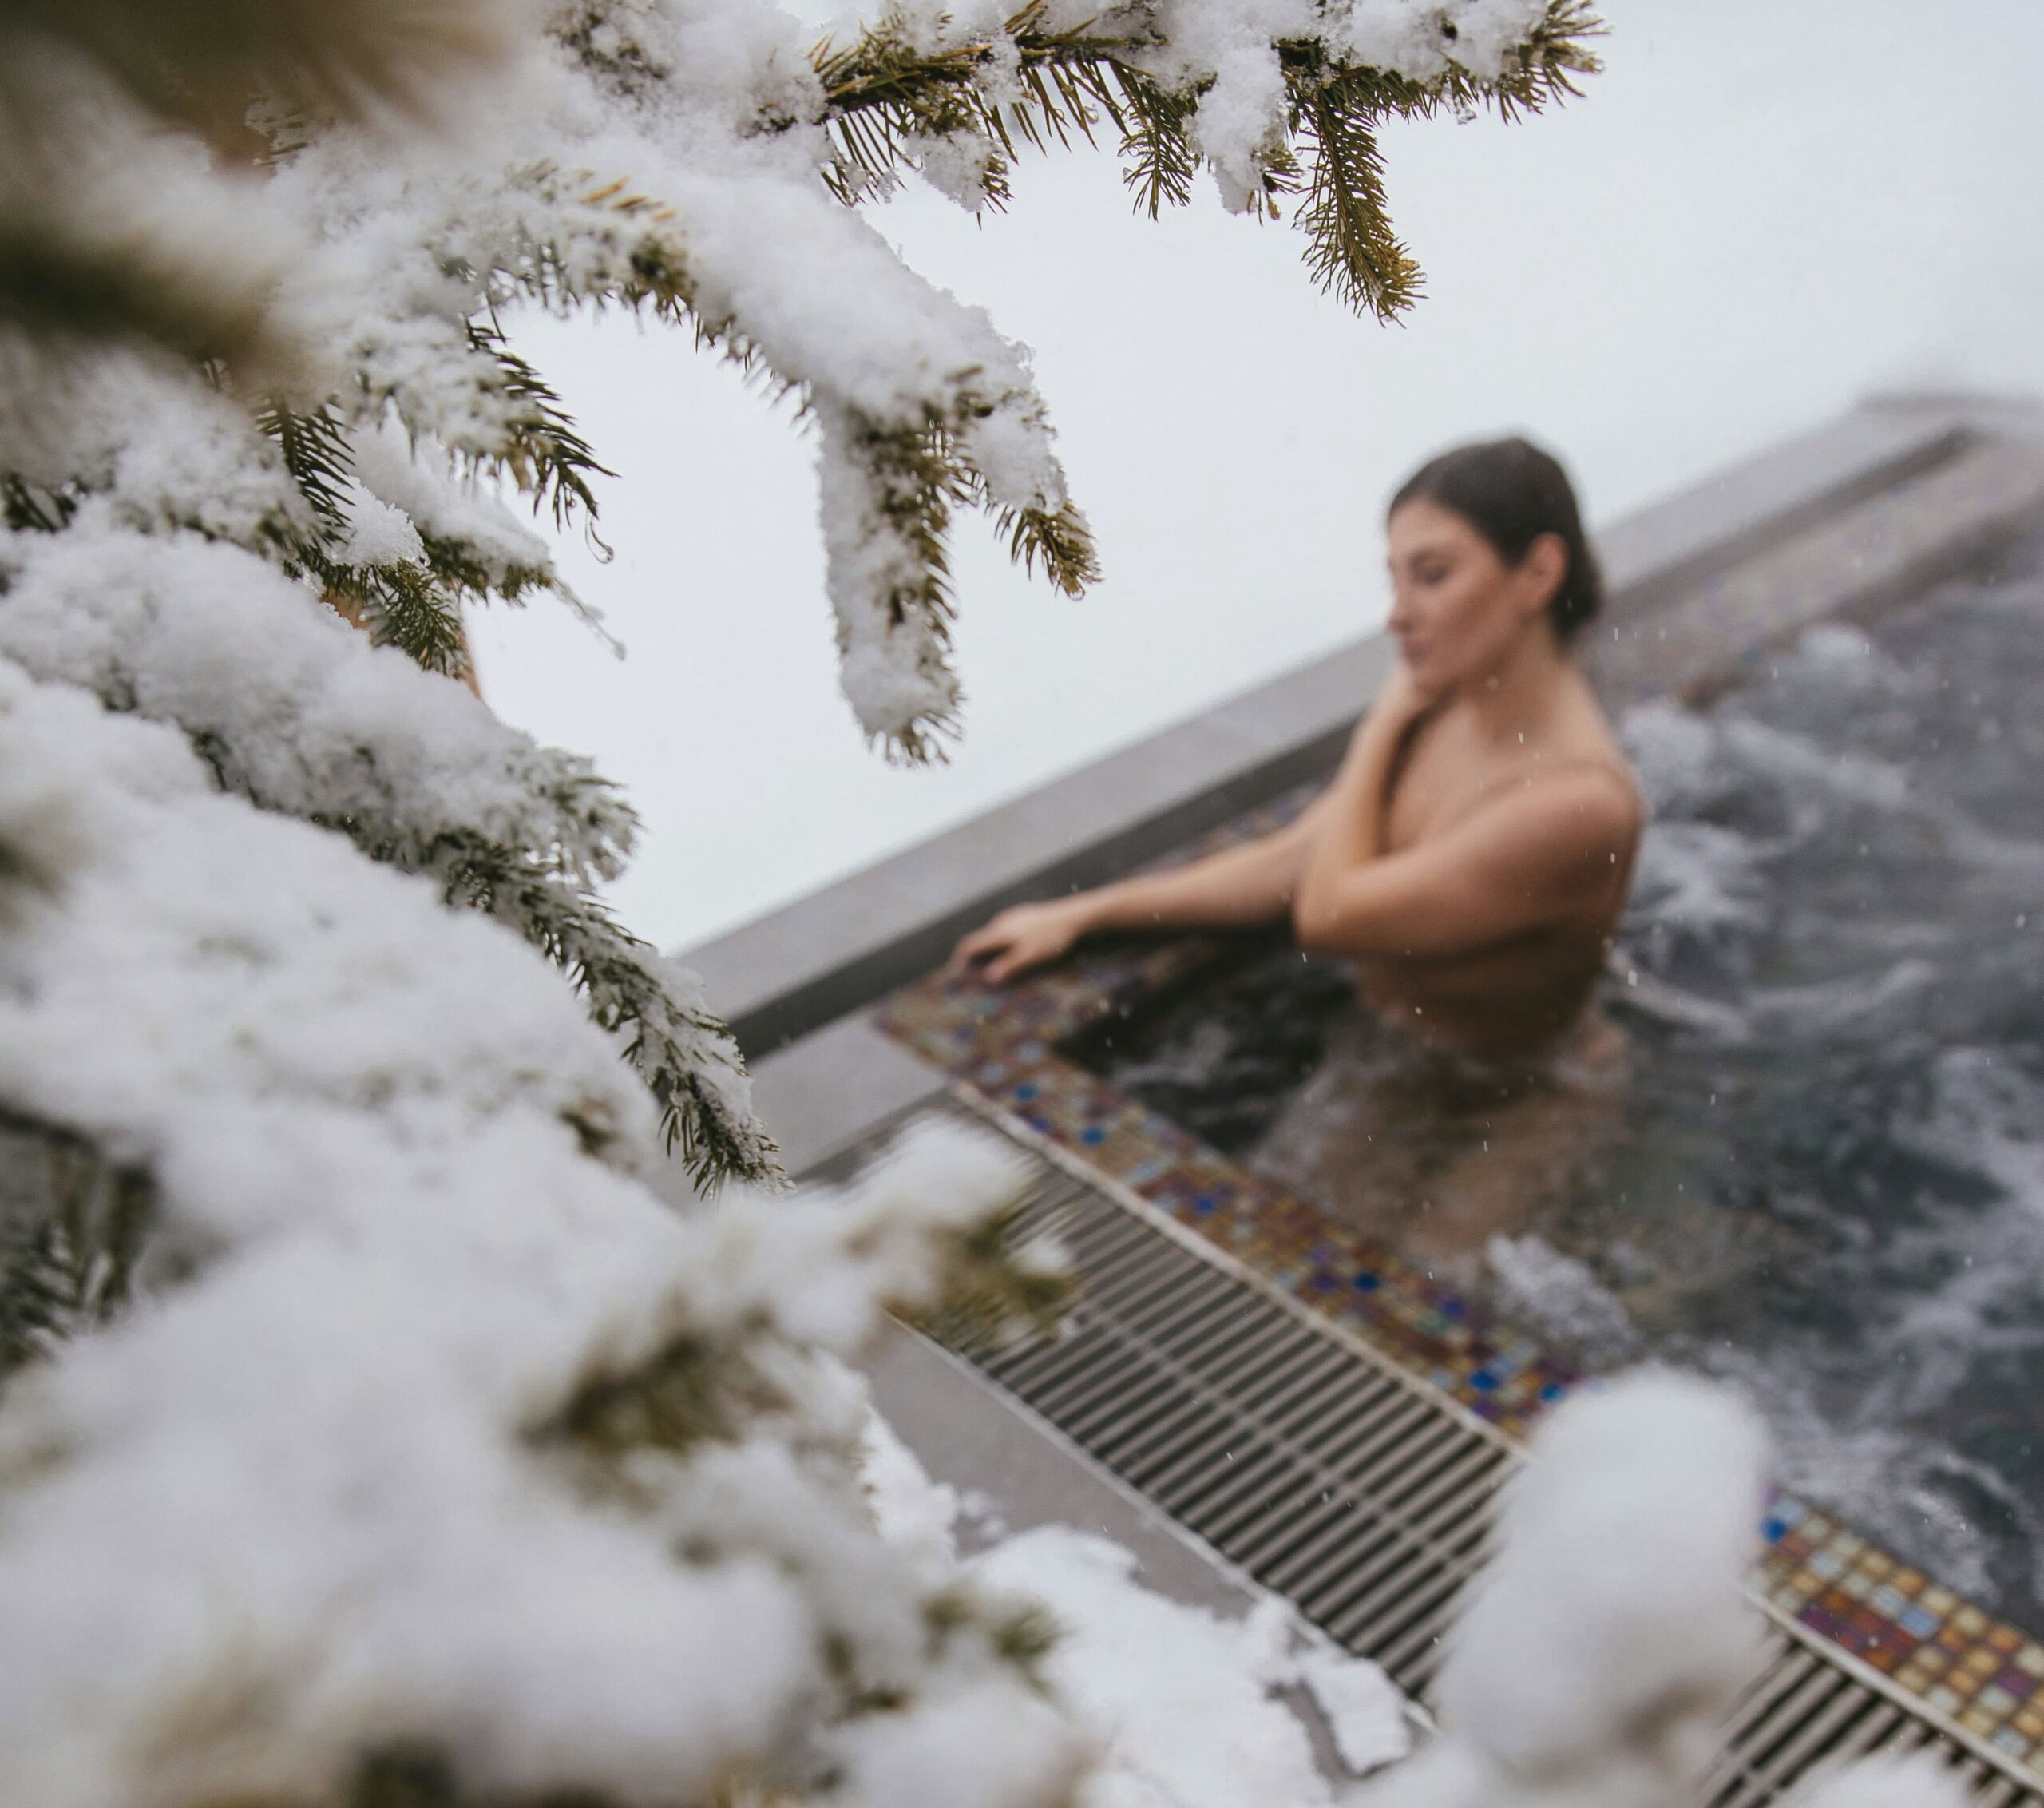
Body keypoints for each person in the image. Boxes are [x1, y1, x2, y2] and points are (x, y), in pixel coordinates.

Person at [953, 436, 1645, 1259]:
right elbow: (1293, 864)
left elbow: (1327, 912)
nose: (1397, 613)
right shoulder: (1454, 703)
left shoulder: (1576, 803)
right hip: (1390, 1049)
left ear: (1536, 574)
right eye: (1394, 578)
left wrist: (1381, 727)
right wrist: (1084, 914)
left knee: (1407, 1301)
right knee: (1271, 1247)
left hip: (1509, 1094)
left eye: (1431, 574)